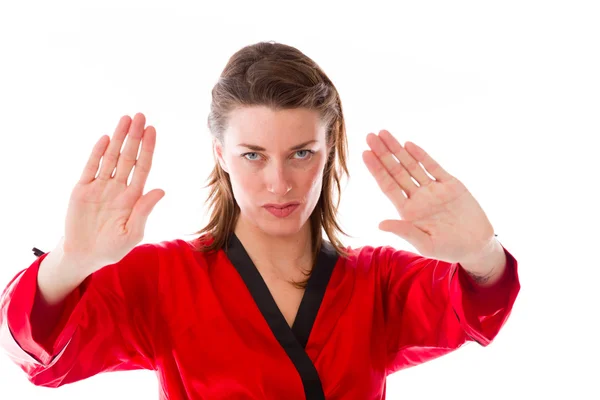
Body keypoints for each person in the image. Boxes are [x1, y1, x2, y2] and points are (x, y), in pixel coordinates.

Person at [0, 41, 520, 400]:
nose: (279, 183)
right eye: (253, 155)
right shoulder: (165, 278)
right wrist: (71, 261)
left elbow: (472, 307)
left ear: (328, 150)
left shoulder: (377, 282)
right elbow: (43, 355)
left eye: (300, 153)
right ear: (220, 154)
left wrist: (481, 252)